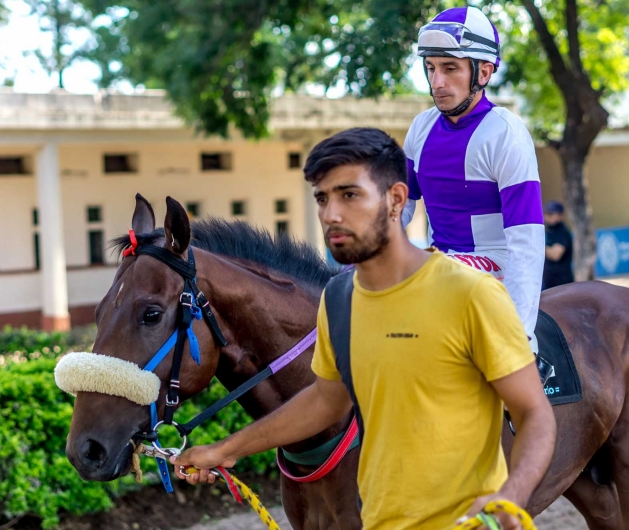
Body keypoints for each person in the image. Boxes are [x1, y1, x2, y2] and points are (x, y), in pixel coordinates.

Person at [172, 128, 556, 529]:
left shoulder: (471, 294)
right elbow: (325, 400)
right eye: (323, 198)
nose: (331, 214)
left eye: (349, 195)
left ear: (396, 200)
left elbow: (534, 413)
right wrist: (225, 449)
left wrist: (511, 496)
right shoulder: (339, 300)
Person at [401, 6, 544, 354]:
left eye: (450, 68)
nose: (437, 82)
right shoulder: (420, 128)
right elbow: (399, 209)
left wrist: (519, 333)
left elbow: (526, 239)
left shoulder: (506, 133)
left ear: (483, 71)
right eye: (431, 68)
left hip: (496, 265)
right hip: (441, 266)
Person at [543, 201, 573, 289]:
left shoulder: (561, 232)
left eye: (551, 214)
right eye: (546, 213)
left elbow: (555, 255)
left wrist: (537, 246)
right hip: (550, 282)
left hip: (562, 283)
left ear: (561, 216)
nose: (547, 216)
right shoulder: (549, 231)